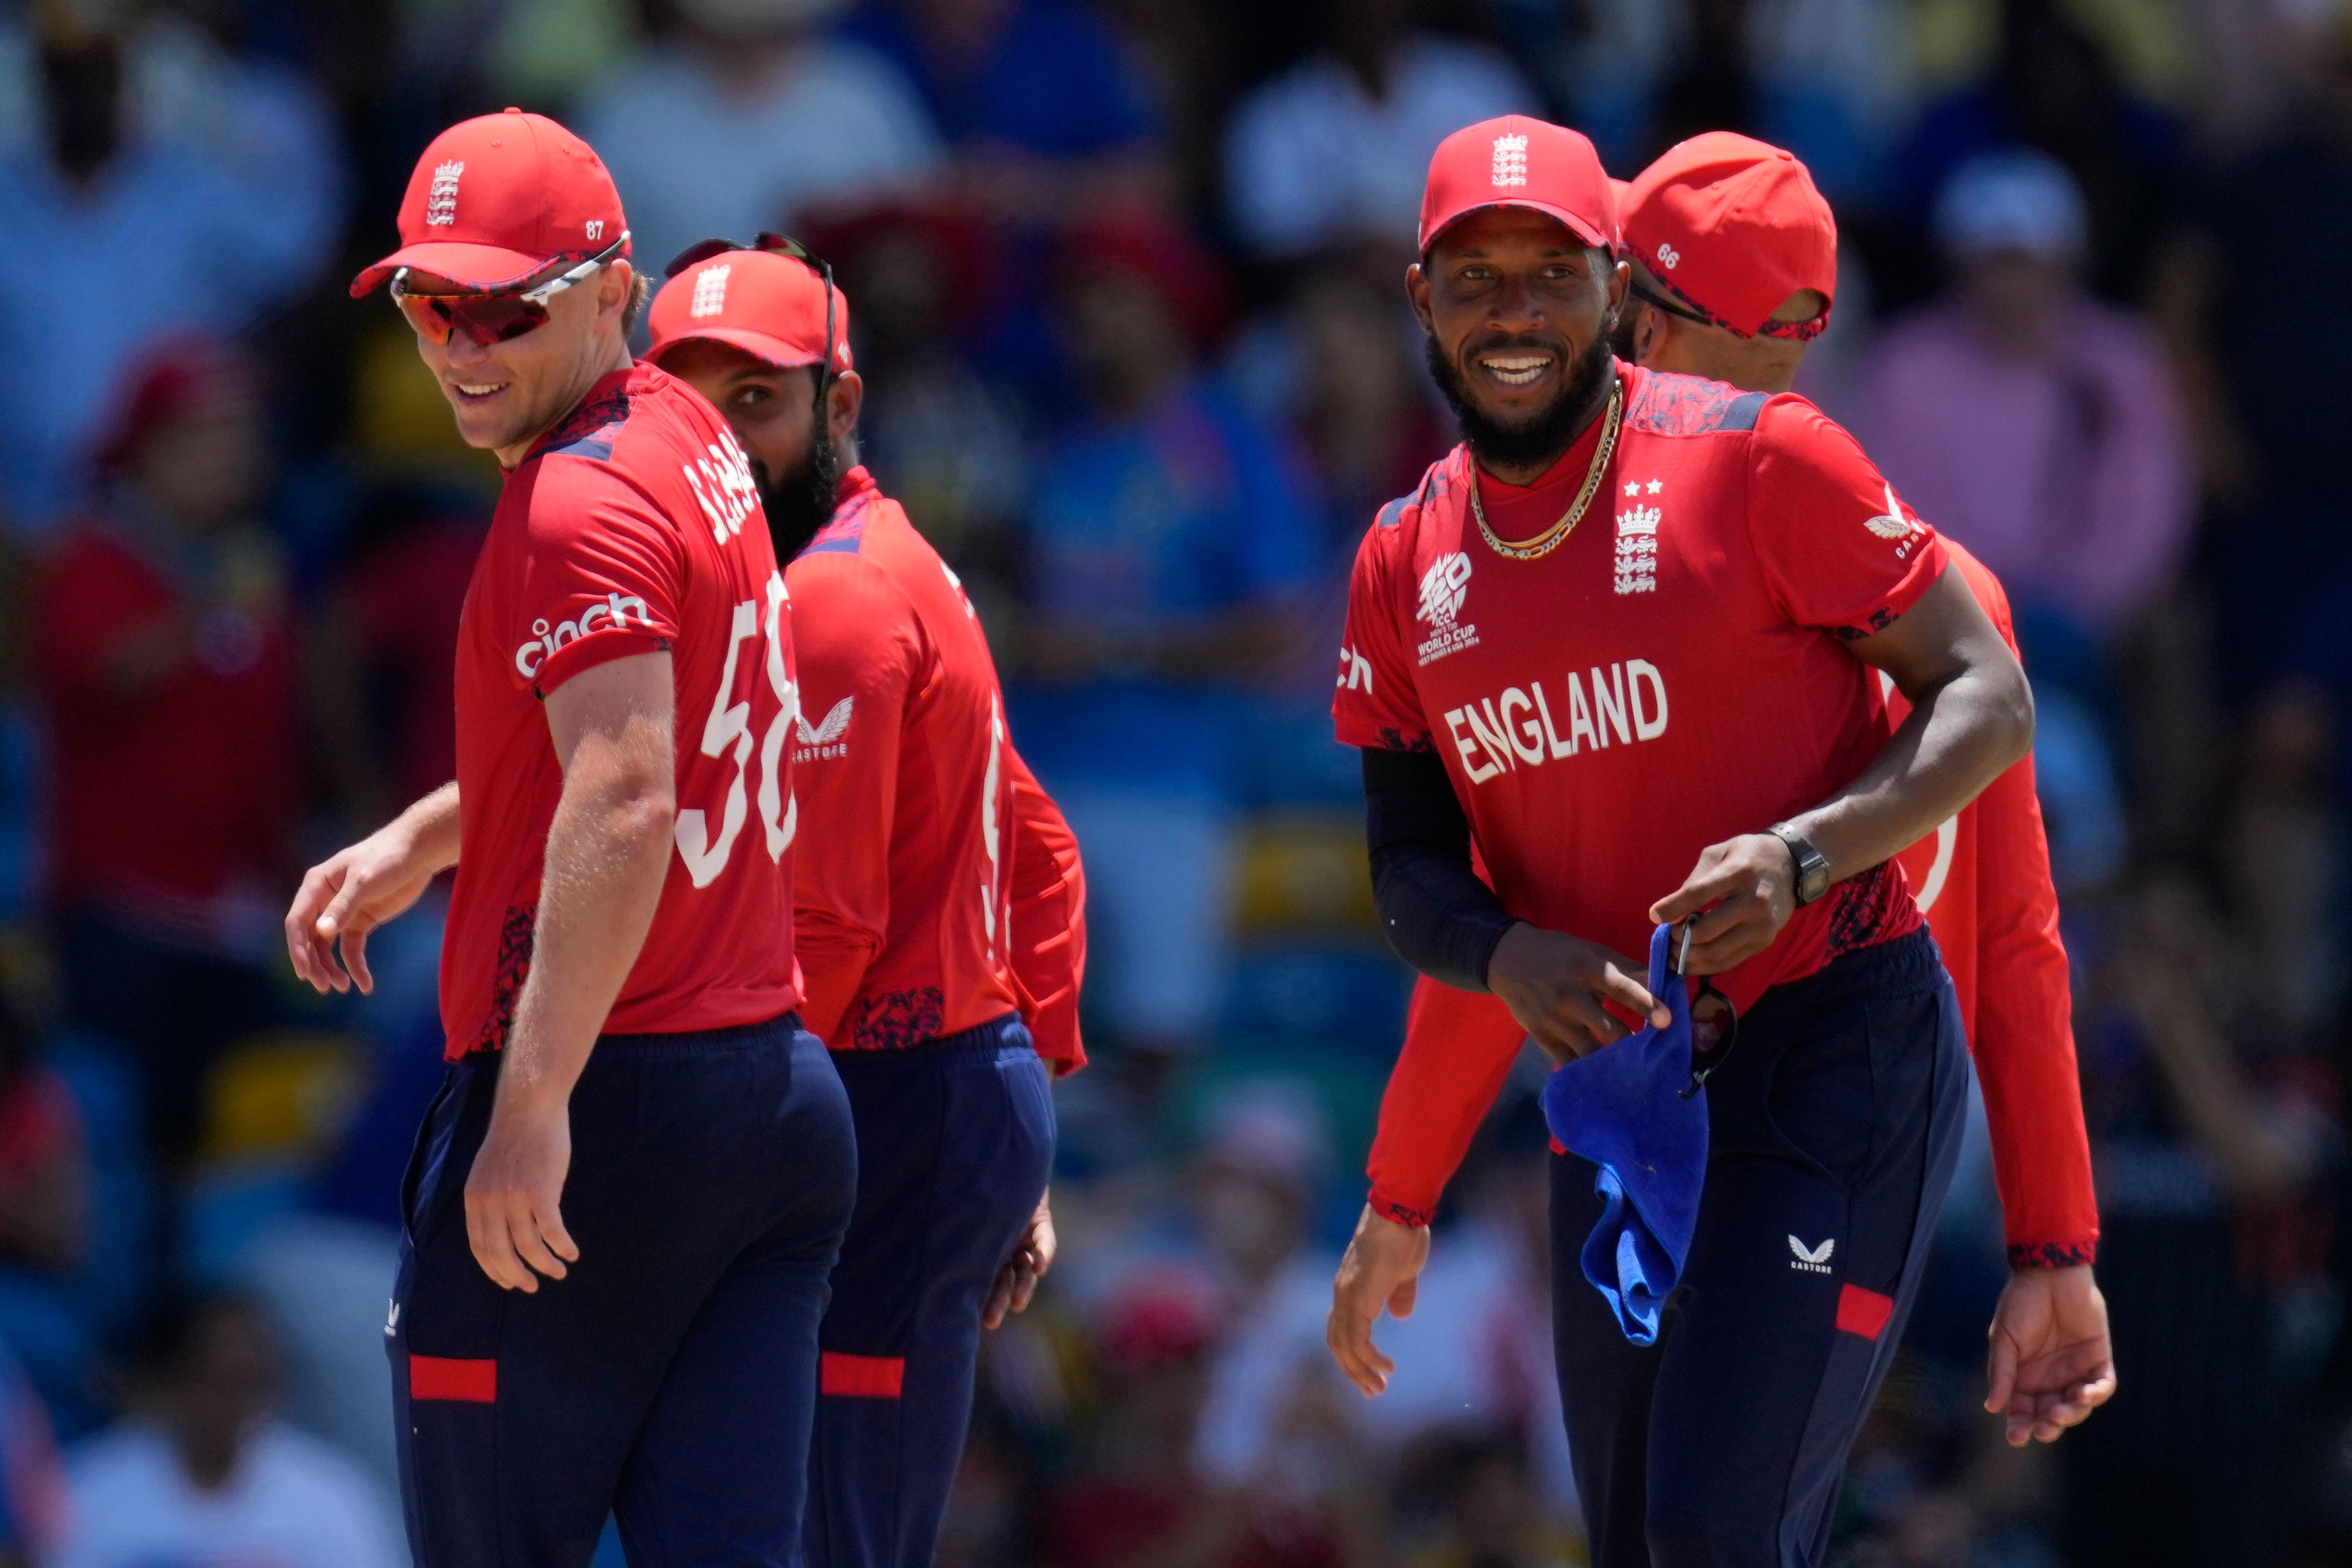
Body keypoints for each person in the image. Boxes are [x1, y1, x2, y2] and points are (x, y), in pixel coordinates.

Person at [1321, 116, 2036, 1566]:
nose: (1511, 313)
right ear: (1420, 301)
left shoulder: (1762, 460)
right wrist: (1493, 971)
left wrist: (1804, 852)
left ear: (1614, 287)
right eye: (1473, 278)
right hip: (1622, 1091)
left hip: (1828, 1048)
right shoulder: (1402, 558)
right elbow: (1408, 874)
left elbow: (1988, 694)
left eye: (1547, 274)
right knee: (1646, 1535)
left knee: (1713, 1527)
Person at [283, 111, 855, 1563]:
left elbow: (623, 793)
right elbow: (662, 722)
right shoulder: (684, 433)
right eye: (431, 302)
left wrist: (534, 1103)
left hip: (618, 1104)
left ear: (613, 288)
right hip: (768, 1099)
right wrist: (429, 833)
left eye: (505, 305)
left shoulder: (573, 499)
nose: (463, 345)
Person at [647, 236, 1087, 1568]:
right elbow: (1039, 843)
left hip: (885, 1097)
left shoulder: (830, 597)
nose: (721, 446)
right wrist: (1024, 1107)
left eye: (757, 403)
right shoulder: (863, 557)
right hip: (926, 1095)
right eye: (689, 409)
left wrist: (723, 1169)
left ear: (843, 405)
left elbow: (821, 933)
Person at [32, 338, 297, 1167]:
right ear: (147, 447)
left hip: (234, 926)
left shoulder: (252, 570)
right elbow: (102, 675)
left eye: (240, 437)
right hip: (123, 922)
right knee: (121, 1145)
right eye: (203, 437)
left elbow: (272, 747)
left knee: (224, 1155)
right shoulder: (95, 557)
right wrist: (202, 608)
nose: (228, 458)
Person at [1855, 147, 2191, 638]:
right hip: (1943, 615)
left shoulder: (2122, 360)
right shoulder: (1904, 365)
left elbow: (2148, 512)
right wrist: (1982, 603)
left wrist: (2080, 604)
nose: (2010, 285)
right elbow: (1894, 506)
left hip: (2101, 623)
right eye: (1993, 263)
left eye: (2026, 263)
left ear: (2066, 265)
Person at [57, 1292, 402, 1568]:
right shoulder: (86, 1494)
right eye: (217, 1381)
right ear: (170, 1383)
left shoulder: (335, 1498)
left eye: (251, 1383)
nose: (234, 1402)